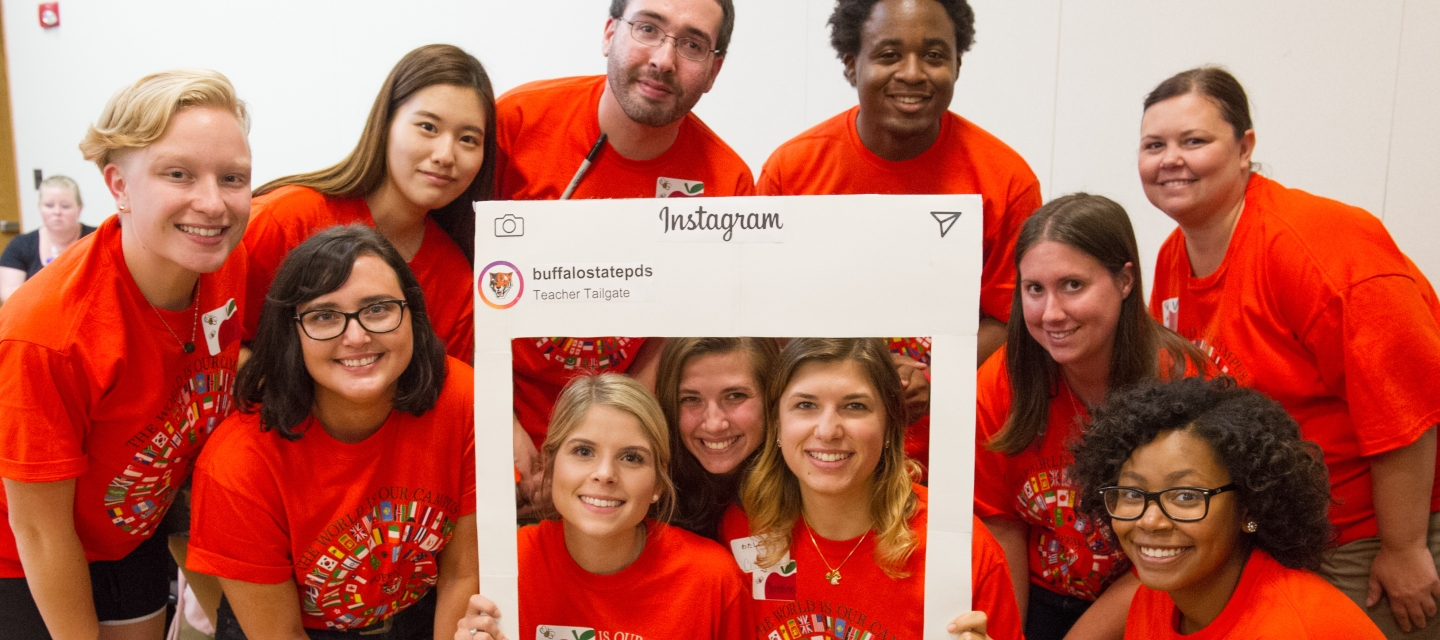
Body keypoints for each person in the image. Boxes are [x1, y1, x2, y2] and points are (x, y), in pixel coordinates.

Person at [1140, 66, 1440, 636]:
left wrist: (1404, 549)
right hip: (1276, 528)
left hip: (1374, 530)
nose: (1169, 159)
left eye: (1194, 141)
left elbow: (1407, 409)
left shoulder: (1316, 246)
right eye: (1154, 145)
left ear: (1245, 147)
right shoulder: (1173, 257)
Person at [0, 68, 251, 639]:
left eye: (232, 177)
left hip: (130, 532)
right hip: (25, 554)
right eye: (178, 174)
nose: (212, 203)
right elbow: (38, 532)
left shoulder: (225, 261)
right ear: (117, 186)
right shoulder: (47, 332)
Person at [756, 0, 1042, 469]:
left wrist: (936, 374)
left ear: (957, 65)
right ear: (852, 64)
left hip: (953, 448)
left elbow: (1014, 319)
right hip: (822, 446)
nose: (913, 73)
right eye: (889, 55)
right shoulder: (794, 171)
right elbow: (765, 318)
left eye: (934, 56)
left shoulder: (1006, 181)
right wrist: (857, 379)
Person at [498, 0, 754, 516]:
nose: (664, 58)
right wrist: (496, 421)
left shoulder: (728, 185)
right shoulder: (517, 123)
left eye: (692, 44)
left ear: (714, 70)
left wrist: (590, 452)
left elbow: (680, 337)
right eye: (648, 29)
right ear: (611, 32)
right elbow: (460, 287)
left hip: (623, 441)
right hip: (496, 419)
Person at [187, 225, 477, 638]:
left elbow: (463, 575)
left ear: (412, 312)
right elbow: (280, 634)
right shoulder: (237, 466)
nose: (356, 337)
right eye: (324, 316)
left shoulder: (462, 398)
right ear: (292, 332)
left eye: (378, 308)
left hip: (419, 615)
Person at [974, 193, 1207, 640]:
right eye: (1034, 289)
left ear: (1124, 281)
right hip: (1042, 595)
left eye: (1073, 286)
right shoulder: (1001, 381)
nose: (1051, 313)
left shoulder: (1181, 382)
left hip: (1161, 590)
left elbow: (1185, 543)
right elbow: (1002, 523)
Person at [721, 338, 1023, 640]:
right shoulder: (741, 529)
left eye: (855, 406)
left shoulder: (959, 547)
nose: (827, 431)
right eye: (806, 405)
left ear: (891, 425)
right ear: (777, 424)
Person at [1070, 376, 1384, 638]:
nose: (1151, 521)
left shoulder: (1293, 626)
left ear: (1248, 507)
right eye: (1132, 493)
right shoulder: (1155, 599)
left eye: (1186, 497)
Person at [242, 44, 494, 364]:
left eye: (468, 139)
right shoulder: (287, 218)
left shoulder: (456, 279)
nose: (445, 155)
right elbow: (214, 345)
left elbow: (445, 395)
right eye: (428, 127)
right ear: (386, 124)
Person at [460, 373, 752, 639]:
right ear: (549, 465)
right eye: (583, 451)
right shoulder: (506, 563)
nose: (605, 474)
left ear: (658, 484)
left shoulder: (713, 581)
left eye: (631, 458)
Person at [654, 337, 780, 541]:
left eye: (735, 396)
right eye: (691, 399)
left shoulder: (808, 493)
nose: (713, 424)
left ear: (772, 397)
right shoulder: (652, 498)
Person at [0, 175, 96, 302]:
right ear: (40, 207)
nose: (57, 212)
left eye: (65, 206)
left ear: (79, 209)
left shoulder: (97, 238)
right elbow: (9, 293)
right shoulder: (21, 245)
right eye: (49, 205)